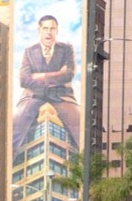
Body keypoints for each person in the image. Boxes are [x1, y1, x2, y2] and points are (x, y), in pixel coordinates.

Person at [12, 15, 81, 154]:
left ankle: (84, 165)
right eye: (45, 28)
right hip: (34, 95)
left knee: (79, 123)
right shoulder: (29, 51)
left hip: (62, 96)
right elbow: (24, 80)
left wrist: (41, 76)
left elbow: (69, 74)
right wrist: (56, 77)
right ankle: (9, 162)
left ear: (57, 31)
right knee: (17, 122)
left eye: (52, 28)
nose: (49, 32)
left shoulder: (67, 49)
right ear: (39, 30)